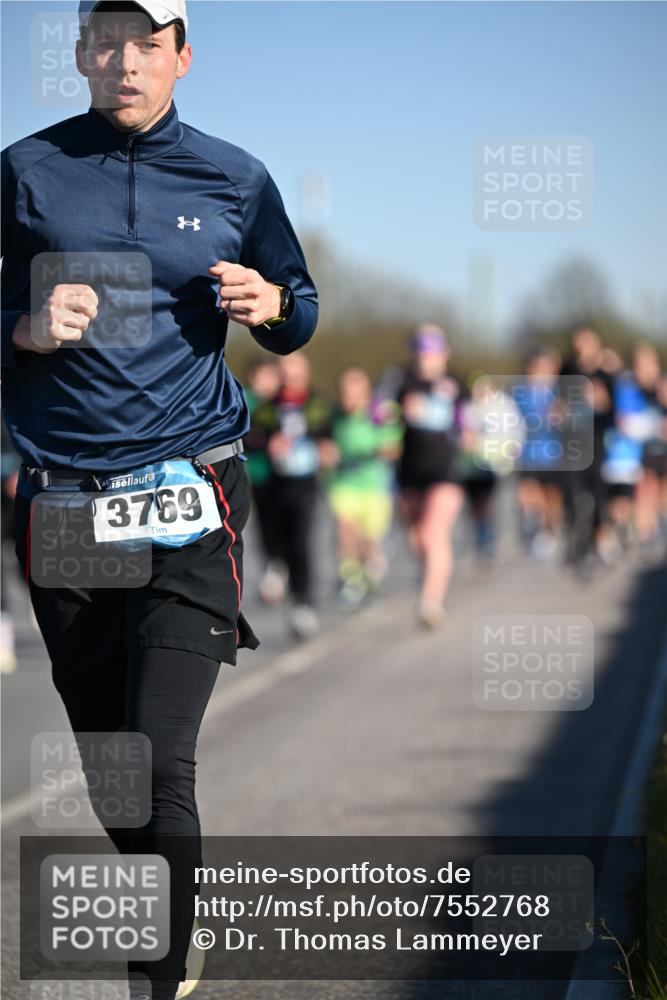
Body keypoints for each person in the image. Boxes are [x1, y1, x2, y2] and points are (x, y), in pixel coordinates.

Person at [1, 3, 318, 999]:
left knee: (159, 754)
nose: (124, 61)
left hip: (190, 489)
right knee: (112, 767)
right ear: (80, 55)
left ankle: (160, 964)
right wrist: (22, 326)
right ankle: (175, 910)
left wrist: (273, 308)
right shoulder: (25, 170)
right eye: (105, 41)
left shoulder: (235, 176)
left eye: (146, 43)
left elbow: (299, 304)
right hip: (66, 504)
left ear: (183, 56)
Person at [248, 352, 332, 638]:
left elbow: (328, 435)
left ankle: (302, 603)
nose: (289, 378)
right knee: (272, 537)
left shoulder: (317, 405)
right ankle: (275, 570)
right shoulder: (267, 408)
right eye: (284, 372)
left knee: (300, 543)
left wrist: (326, 449)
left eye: (295, 372)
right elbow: (250, 436)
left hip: (305, 485)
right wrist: (266, 443)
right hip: (273, 485)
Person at [391, 324, 464, 628]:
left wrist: (465, 430)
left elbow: (470, 422)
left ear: (445, 352)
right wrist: (393, 416)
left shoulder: (457, 385)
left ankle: (430, 602)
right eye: (421, 349)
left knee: (434, 532)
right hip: (409, 472)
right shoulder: (400, 382)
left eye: (432, 349)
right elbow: (379, 414)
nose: (426, 356)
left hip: (445, 471)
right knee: (418, 539)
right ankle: (430, 580)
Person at [325, 367, 402, 607]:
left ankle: (370, 575)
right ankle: (350, 578)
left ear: (366, 393)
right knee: (345, 530)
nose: (349, 398)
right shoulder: (334, 416)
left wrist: (380, 450)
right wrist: (326, 451)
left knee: (368, 541)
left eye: (354, 393)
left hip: (374, 486)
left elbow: (395, 447)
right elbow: (323, 442)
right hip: (343, 484)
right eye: (345, 392)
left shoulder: (380, 414)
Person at [560, 327, 615, 575]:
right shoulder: (568, 370)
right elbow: (559, 402)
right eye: (578, 343)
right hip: (572, 443)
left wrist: (598, 399)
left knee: (599, 495)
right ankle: (576, 543)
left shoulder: (605, 375)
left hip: (596, 442)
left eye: (587, 343)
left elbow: (611, 411)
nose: (582, 348)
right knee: (573, 496)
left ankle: (600, 538)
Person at [242, 359, 287, 604]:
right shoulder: (245, 401)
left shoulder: (283, 402)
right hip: (258, 474)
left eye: (271, 377)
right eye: (262, 377)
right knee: (265, 525)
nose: (267, 383)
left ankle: (281, 568)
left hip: (286, 475)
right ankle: (272, 570)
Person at [513, 347, 564, 561]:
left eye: (547, 368)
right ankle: (533, 523)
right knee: (527, 493)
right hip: (528, 454)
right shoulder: (519, 392)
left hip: (555, 454)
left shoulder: (560, 392)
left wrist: (562, 414)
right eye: (537, 367)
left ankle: (548, 531)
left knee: (552, 497)